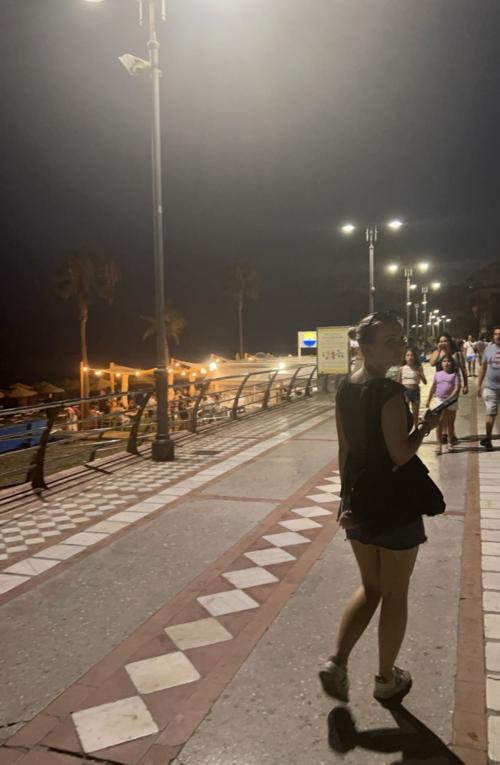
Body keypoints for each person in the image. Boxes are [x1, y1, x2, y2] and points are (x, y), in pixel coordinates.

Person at [319, 311, 439, 704]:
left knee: (371, 586)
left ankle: (337, 662)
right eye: (390, 341)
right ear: (366, 349)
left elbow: (345, 449)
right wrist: (424, 427)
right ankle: (386, 679)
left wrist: (346, 499)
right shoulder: (388, 392)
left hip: (359, 500)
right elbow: (401, 454)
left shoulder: (344, 388)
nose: (400, 346)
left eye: (401, 338)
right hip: (395, 503)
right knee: (395, 593)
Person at [430, 333, 468, 444]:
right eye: (440, 341)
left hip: (454, 386)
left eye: (445, 341)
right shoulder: (436, 353)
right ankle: (444, 433)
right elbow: (432, 363)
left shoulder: (457, 354)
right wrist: (438, 351)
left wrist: (465, 385)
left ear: (450, 342)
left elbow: (463, 369)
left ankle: (450, 433)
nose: (443, 343)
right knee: (442, 411)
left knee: (450, 410)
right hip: (441, 386)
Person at [426, 355, 461, 454]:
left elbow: (456, 388)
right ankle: (439, 444)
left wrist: (449, 398)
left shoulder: (455, 375)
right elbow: (433, 387)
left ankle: (450, 443)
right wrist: (428, 400)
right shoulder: (437, 374)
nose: (446, 363)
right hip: (440, 400)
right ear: (441, 364)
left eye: (448, 361)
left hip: (451, 401)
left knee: (450, 422)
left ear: (452, 363)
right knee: (439, 422)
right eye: (444, 361)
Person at [477, 326, 500, 450]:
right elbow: (483, 368)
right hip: (491, 387)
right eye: (496, 334)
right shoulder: (488, 349)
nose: (498, 336)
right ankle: (488, 439)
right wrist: (478, 385)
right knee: (490, 413)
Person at [397, 349, 427, 428]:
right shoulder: (401, 368)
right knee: (405, 413)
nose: (410, 357)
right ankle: (405, 430)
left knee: (415, 414)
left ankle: (416, 430)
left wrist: (419, 375)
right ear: (404, 357)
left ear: (415, 357)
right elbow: (398, 382)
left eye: (412, 355)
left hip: (415, 391)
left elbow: (425, 382)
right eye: (408, 355)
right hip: (405, 391)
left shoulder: (418, 367)